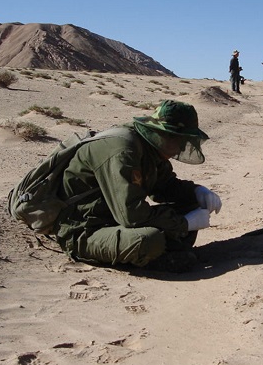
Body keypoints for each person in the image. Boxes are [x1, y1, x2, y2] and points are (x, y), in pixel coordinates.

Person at [54, 100, 222, 273]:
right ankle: (152, 258)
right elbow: (132, 214)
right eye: (181, 141)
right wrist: (184, 224)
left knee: (191, 204)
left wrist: (196, 191)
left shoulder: (150, 147)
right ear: (165, 135)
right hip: (84, 231)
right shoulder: (123, 151)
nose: (181, 148)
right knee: (148, 240)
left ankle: (159, 250)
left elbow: (164, 187)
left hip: (114, 221)